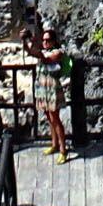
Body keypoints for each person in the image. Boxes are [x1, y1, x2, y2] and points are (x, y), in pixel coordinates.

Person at [29, 28, 70, 163]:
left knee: (55, 119)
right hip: (42, 88)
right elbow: (33, 53)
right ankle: (54, 144)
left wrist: (34, 45)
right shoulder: (45, 52)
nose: (45, 42)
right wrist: (27, 42)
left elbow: (45, 59)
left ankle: (63, 150)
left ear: (54, 41)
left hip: (52, 89)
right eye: (44, 40)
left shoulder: (57, 53)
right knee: (49, 117)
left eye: (48, 40)